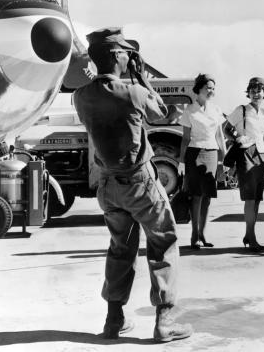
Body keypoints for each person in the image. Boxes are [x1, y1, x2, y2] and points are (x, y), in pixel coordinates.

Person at [72, 27, 192, 342]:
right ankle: (164, 322)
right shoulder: (134, 92)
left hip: (107, 185)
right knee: (163, 242)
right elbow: (161, 111)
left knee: (120, 247)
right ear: (116, 55)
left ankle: (114, 320)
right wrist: (142, 79)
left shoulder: (80, 97)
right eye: (126, 51)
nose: (130, 56)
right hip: (139, 183)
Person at [178, 74, 226, 249]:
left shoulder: (216, 110)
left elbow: (220, 136)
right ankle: (194, 235)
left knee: (207, 197)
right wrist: (181, 162)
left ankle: (203, 234)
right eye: (208, 87)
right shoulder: (189, 110)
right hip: (194, 153)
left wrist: (223, 159)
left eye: (213, 88)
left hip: (212, 153)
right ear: (199, 89)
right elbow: (185, 138)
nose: (211, 91)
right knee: (196, 196)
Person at [224, 77, 264, 252]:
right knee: (250, 199)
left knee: (257, 199)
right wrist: (237, 138)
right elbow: (226, 129)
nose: (255, 93)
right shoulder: (241, 110)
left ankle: (248, 234)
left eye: (259, 90)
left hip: (263, 156)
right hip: (247, 155)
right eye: (252, 90)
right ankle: (252, 239)